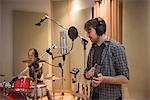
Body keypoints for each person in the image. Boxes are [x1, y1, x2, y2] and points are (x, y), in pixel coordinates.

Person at [83, 17, 129, 100]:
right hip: (94, 96)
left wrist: (103, 79)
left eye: (89, 31)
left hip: (111, 97)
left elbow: (125, 79)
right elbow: (87, 69)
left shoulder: (116, 47)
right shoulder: (92, 48)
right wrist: (87, 74)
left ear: (99, 30)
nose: (87, 35)